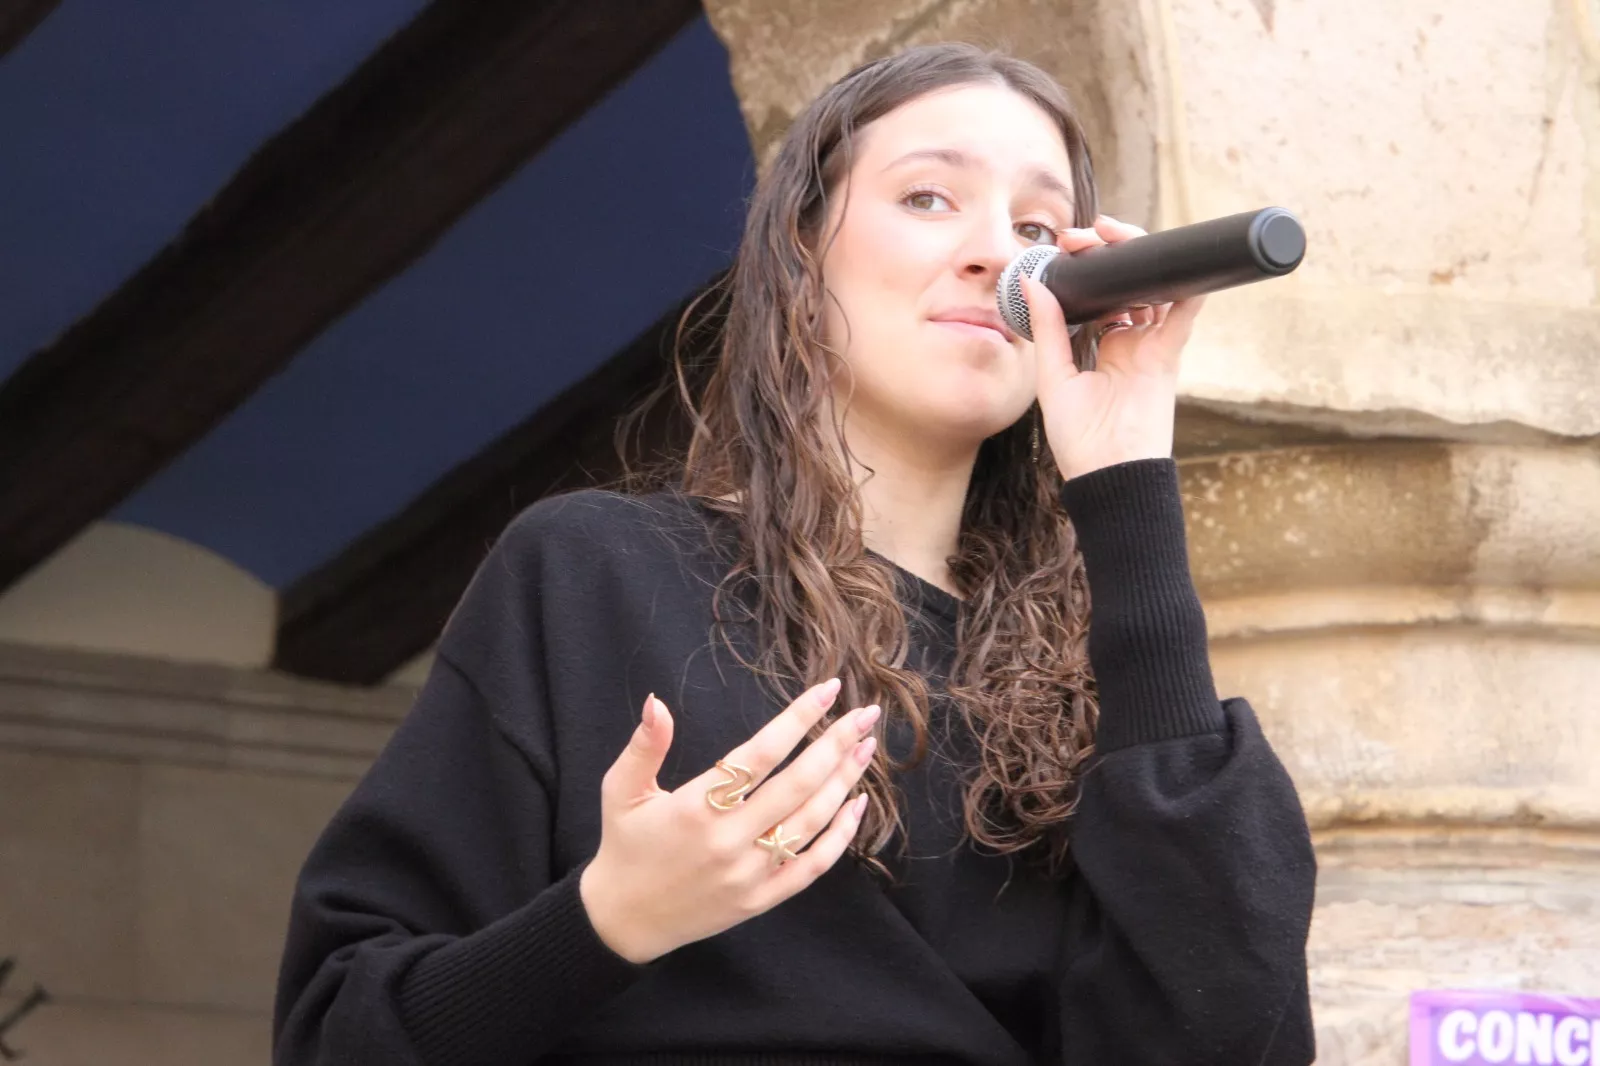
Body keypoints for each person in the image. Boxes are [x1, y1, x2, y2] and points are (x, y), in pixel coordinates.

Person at [271, 42, 1317, 1066]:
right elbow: (335, 1033)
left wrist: (1127, 473)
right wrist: (608, 919)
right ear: (800, 254)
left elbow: (1236, 1031)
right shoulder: (592, 574)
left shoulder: (1099, 675)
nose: (1000, 252)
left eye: (1038, 224)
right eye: (927, 198)